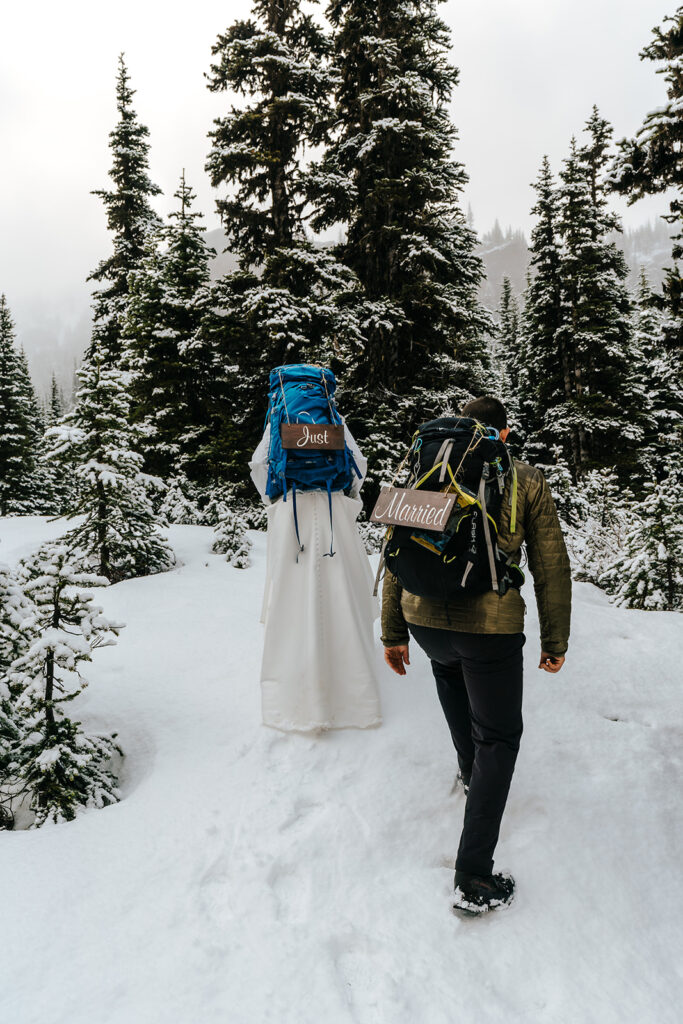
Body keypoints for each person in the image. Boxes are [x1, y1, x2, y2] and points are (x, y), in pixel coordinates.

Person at [380, 396, 571, 914]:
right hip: (490, 626)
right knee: (501, 736)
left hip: (423, 618)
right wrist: (556, 640)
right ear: (502, 434)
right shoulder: (525, 477)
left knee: (450, 678)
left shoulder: (423, 464)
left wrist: (392, 632)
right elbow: (550, 564)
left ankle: (471, 779)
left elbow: (394, 549)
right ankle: (474, 877)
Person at [250, 374, 381, 734]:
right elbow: (358, 462)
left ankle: (294, 702)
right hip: (333, 513)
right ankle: (354, 703)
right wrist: (346, 495)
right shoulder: (331, 414)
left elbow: (260, 465)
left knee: (292, 605)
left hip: (291, 520)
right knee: (342, 600)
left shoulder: (279, 413)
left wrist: (275, 500)